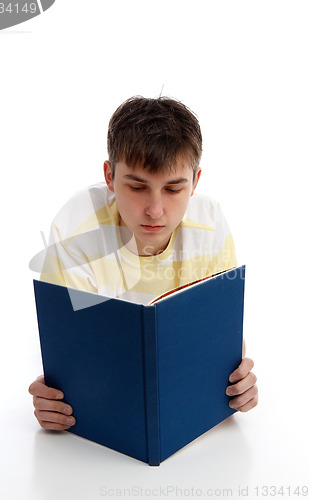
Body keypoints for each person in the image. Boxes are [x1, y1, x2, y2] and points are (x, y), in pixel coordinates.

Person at [29, 96, 258, 431]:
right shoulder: (76, 230)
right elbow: (71, 350)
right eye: (137, 187)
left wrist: (238, 380)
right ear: (109, 176)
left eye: (173, 189)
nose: (155, 210)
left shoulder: (209, 224)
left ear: (195, 182)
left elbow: (220, 338)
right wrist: (52, 396)